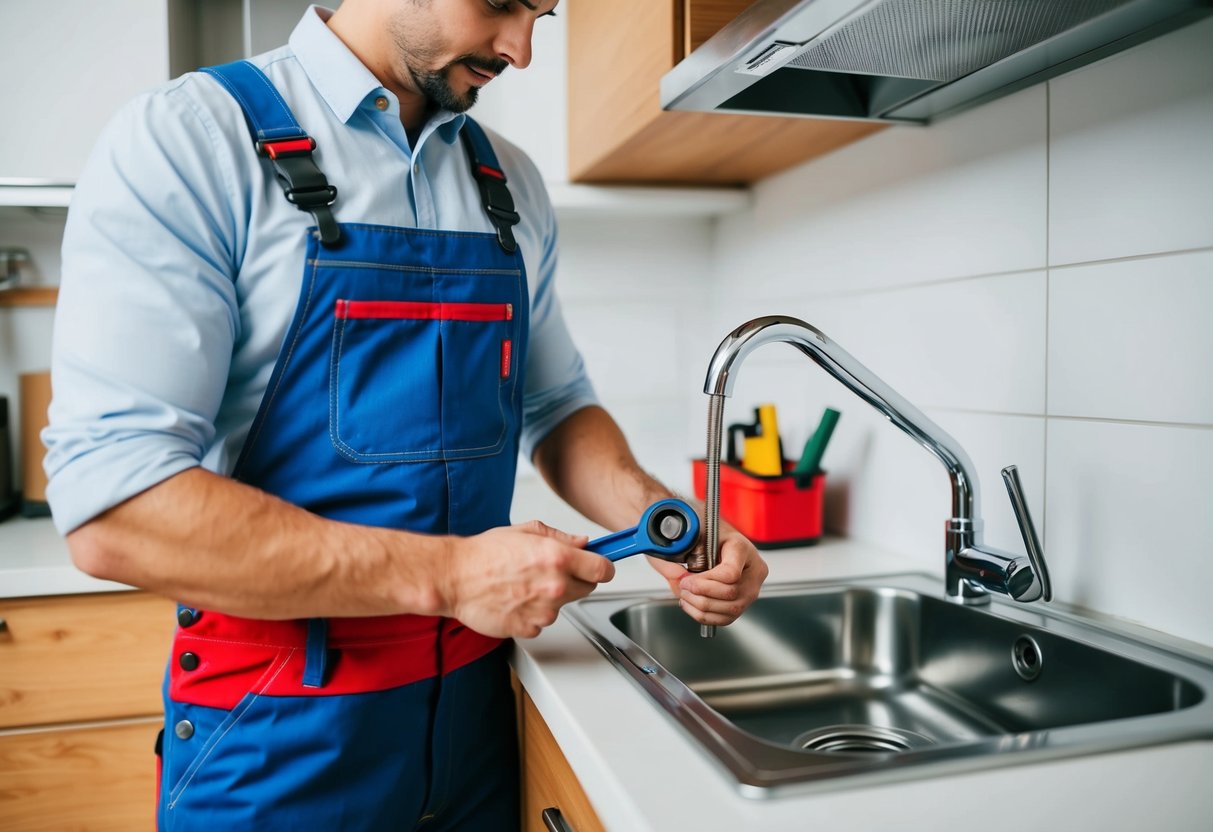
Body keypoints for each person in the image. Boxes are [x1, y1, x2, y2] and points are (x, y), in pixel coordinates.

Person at [44, 1, 768, 829]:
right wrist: (454, 576)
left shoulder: (510, 184)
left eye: (542, 14)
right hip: (276, 731)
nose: (521, 50)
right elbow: (115, 509)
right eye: (502, 2)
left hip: (476, 719)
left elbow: (557, 405)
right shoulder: (191, 139)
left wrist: (662, 526)